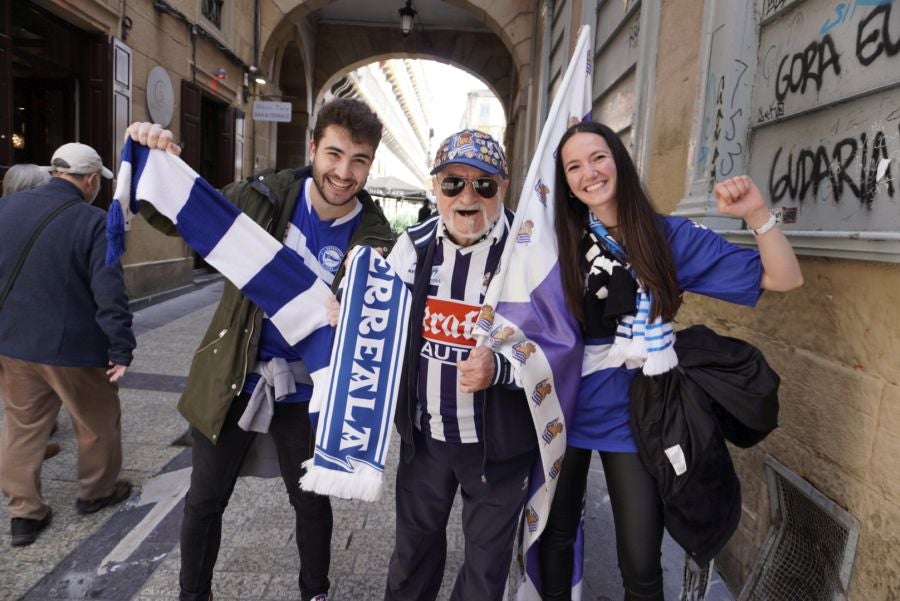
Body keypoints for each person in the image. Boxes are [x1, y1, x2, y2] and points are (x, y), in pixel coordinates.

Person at [126, 97, 394, 601]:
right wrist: (150, 151)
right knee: (205, 501)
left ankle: (315, 591)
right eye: (334, 154)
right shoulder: (260, 199)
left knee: (312, 502)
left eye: (359, 160)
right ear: (312, 148)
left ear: (370, 164)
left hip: (307, 394)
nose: (344, 172)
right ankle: (193, 594)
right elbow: (171, 216)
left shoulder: (374, 237)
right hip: (233, 376)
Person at [537, 121, 803, 601]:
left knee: (640, 564)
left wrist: (757, 213)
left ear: (619, 159)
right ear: (566, 183)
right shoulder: (555, 244)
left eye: (598, 157)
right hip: (561, 409)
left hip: (637, 417)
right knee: (554, 540)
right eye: (573, 166)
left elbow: (783, 279)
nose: (589, 173)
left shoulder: (668, 237)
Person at [384, 129, 536, 601]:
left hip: (498, 446)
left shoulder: (530, 254)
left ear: (503, 188)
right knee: (412, 556)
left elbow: (557, 343)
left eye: (483, 185)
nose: (467, 197)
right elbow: (376, 322)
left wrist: (502, 370)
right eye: (453, 183)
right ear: (436, 188)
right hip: (426, 439)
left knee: (485, 573)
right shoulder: (411, 248)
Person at [0, 143, 135, 548]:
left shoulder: (5, 209)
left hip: (14, 342)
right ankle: (95, 493)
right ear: (90, 180)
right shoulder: (95, 222)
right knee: (96, 423)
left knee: (22, 428)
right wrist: (120, 346)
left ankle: (24, 514)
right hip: (75, 349)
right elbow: (109, 290)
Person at [0, 163, 63, 460]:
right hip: (25, 323)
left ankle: (38, 436)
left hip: (12, 321)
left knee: (21, 394)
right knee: (25, 396)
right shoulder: (41, 222)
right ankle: (26, 449)